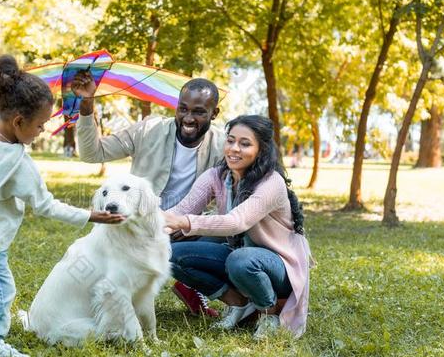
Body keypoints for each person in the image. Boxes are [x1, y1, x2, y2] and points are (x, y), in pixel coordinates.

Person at [0, 55, 125, 357]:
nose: (42, 130)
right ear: (19, 121)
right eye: (39, 125)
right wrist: (91, 216)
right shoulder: (19, 166)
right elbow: (47, 206)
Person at [72, 72, 225, 317]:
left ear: (214, 114)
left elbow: (228, 202)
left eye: (198, 112)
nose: (188, 118)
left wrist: (189, 224)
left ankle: (191, 285)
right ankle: (101, 293)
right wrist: (88, 104)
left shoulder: (222, 145)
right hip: (138, 224)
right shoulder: (148, 130)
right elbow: (92, 153)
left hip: (184, 227)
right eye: (182, 108)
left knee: (228, 235)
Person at [163, 115, 312, 339]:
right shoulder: (217, 176)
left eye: (245, 144)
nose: (234, 149)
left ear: (261, 150)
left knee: (241, 260)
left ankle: (268, 312)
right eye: (230, 141)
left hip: (280, 266)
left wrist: (185, 223)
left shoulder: (271, 182)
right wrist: (148, 223)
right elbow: (182, 209)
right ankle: (239, 303)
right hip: (240, 252)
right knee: (167, 253)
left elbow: (236, 222)